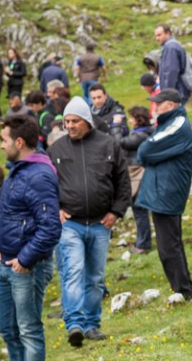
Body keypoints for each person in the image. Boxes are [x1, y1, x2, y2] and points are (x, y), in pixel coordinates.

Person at [48, 96, 131, 345]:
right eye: (66, 121)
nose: (69, 126)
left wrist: (116, 212)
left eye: (74, 121)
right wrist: (55, 209)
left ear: (86, 121)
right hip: (70, 224)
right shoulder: (56, 149)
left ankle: (92, 324)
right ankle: (74, 323)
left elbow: (123, 181)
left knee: (95, 277)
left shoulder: (108, 145)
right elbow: (45, 184)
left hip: (100, 224)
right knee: (73, 271)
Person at [0, 116, 60, 361]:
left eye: (4, 140)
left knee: (28, 328)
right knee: (8, 328)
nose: (1, 145)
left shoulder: (38, 175)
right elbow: (8, 217)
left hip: (26, 267)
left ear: (19, 142)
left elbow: (50, 227)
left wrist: (25, 258)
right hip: (5, 263)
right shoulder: (16, 171)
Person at [137, 89, 192, 300]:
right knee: (169, 244)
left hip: (167, 192)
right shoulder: (169, 122)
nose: (155, 107)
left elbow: (145, 151)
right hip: (162, 190)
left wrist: (151, 157)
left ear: (170, 105)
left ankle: (184, 291)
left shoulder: (178, 123)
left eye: (158, 103)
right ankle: (183, 289)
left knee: (169, 246)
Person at [116, 106, 154, 255]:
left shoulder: (141, 135)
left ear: (139, 119)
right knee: (140, 210)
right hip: (140, 174)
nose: (130, 120)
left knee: (139, 210)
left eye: (132, 118)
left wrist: (116, 126)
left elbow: (120, 143)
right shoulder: (144, 133)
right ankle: (142, 242)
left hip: (137, 175)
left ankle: (143, 244)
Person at [154, 24, 188, 100]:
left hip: (175, 95)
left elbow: (171, 71)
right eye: (156, 36)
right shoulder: (171, 46)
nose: (157, 38)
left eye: (159, 35)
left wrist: (167, 95)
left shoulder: (171, 48)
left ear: (168, 33)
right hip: (177, 92)